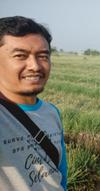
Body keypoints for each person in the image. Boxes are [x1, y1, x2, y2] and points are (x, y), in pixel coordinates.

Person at [0, 16, 67, 191]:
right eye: (20, 56)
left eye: (43, 56)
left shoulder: (52, 112)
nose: (35, 66)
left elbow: (60, 174)